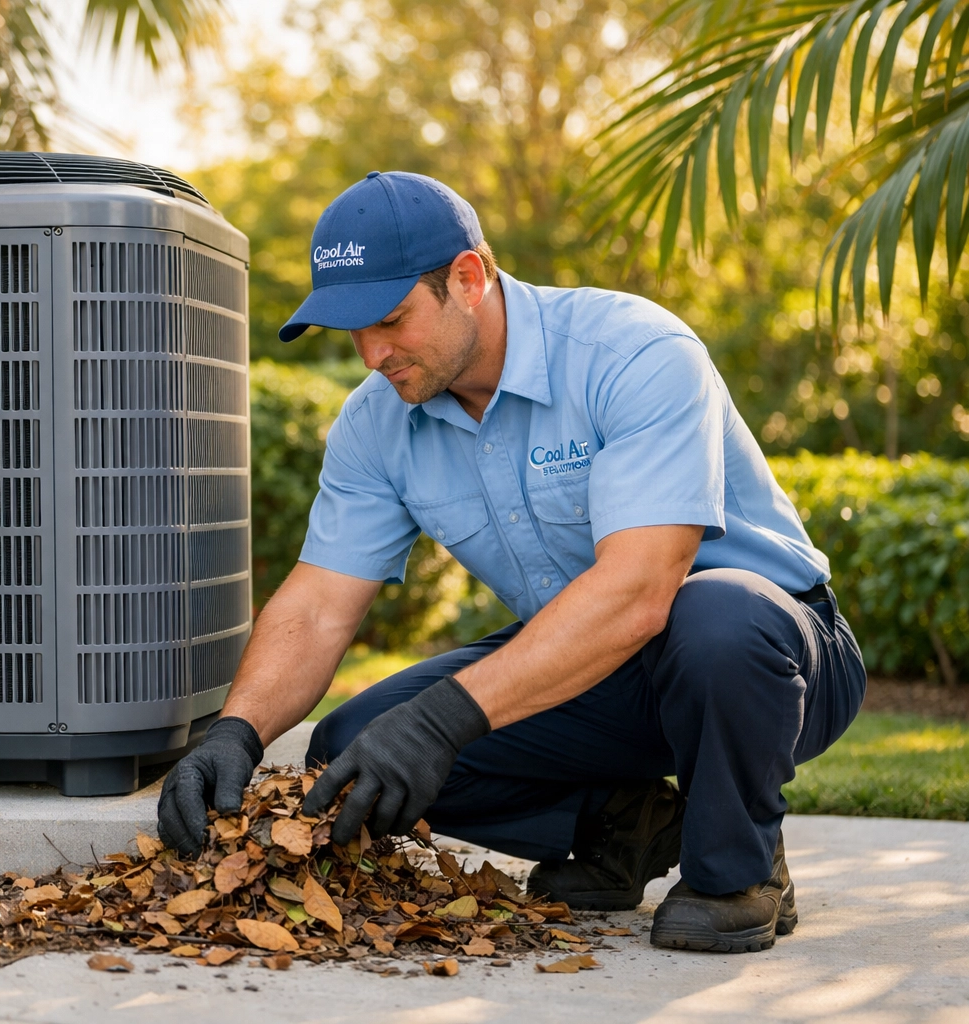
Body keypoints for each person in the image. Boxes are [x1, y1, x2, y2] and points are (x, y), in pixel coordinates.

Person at [156, 171, 865, 953]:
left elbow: (639, 592)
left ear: (469, 277)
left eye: (390, 320)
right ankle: (627, 824)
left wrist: (443, 719)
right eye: (349, 332)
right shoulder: (376, 424)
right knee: (354, 750)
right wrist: (237, 732)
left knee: (714, 613)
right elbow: (321, 602)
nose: (370, 356)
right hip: (595, 668)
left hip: (772, 658)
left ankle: (738, 871)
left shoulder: (632, 351)